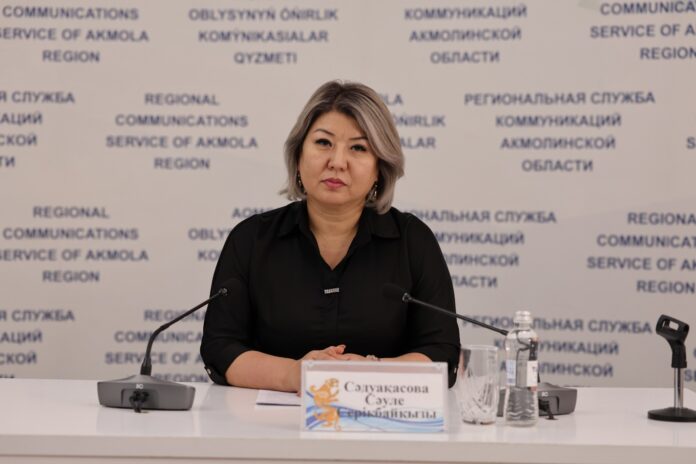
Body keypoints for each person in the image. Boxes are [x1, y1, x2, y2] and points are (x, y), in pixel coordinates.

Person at [200, 80, 460, 392]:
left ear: (380, 168)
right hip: (267, 420)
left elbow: (442, 354)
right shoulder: (252, 240)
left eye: (358, 148)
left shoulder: (412, 241)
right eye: (324, 143)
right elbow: (221, 347)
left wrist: (373, 372)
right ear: (298, 155)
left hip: (381, 417)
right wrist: (294, 375)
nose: (337, 162)